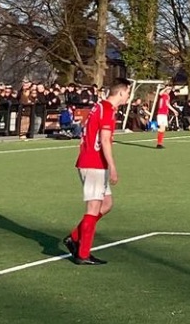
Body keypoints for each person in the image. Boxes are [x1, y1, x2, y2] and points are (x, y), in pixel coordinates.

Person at [64, 78, 128, 265]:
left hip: (93, 162)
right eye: (128, 92)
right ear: (121, 92)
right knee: (93, 209)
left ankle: (74, 237)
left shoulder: (101, 106)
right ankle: (83, 254)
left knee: (106, 204)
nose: (128, 96)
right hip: (94, 164)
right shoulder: (106, 110)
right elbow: (105, 140)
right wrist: (113, 166)